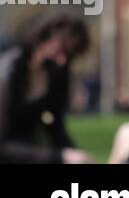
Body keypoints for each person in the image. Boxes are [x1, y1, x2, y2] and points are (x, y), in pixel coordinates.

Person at [0, 12, 94, 164]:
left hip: (30, 151)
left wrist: (76, 155)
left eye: (70, 55)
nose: (63, 60)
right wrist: (59, 157)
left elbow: (56, 128)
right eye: (61, 50)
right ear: (44, 37)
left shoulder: (57, 75)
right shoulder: (8, 72)